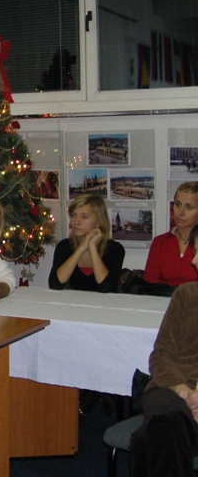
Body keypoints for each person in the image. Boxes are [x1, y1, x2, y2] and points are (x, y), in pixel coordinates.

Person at [130, 224, 198, 476]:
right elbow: (161, 354)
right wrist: (184, 391)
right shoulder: (186, 295)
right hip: (170, 388)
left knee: (145, 440)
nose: (194, 260)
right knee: (167, 419)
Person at [48, 194, 125, 293]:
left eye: (84, 217)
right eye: (74, 215)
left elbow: (106, 287)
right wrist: (81, 249)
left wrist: (92, 247)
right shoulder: (64, 246)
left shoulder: (114, 249)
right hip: (73, 302)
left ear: (98, 221)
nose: (76, 222)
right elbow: (55, 285)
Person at [143, 181, 198, 287]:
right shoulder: (160, 242)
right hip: (163, 297)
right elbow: (149, 283)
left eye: (188, 207)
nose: (180, 212)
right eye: (178, 205)